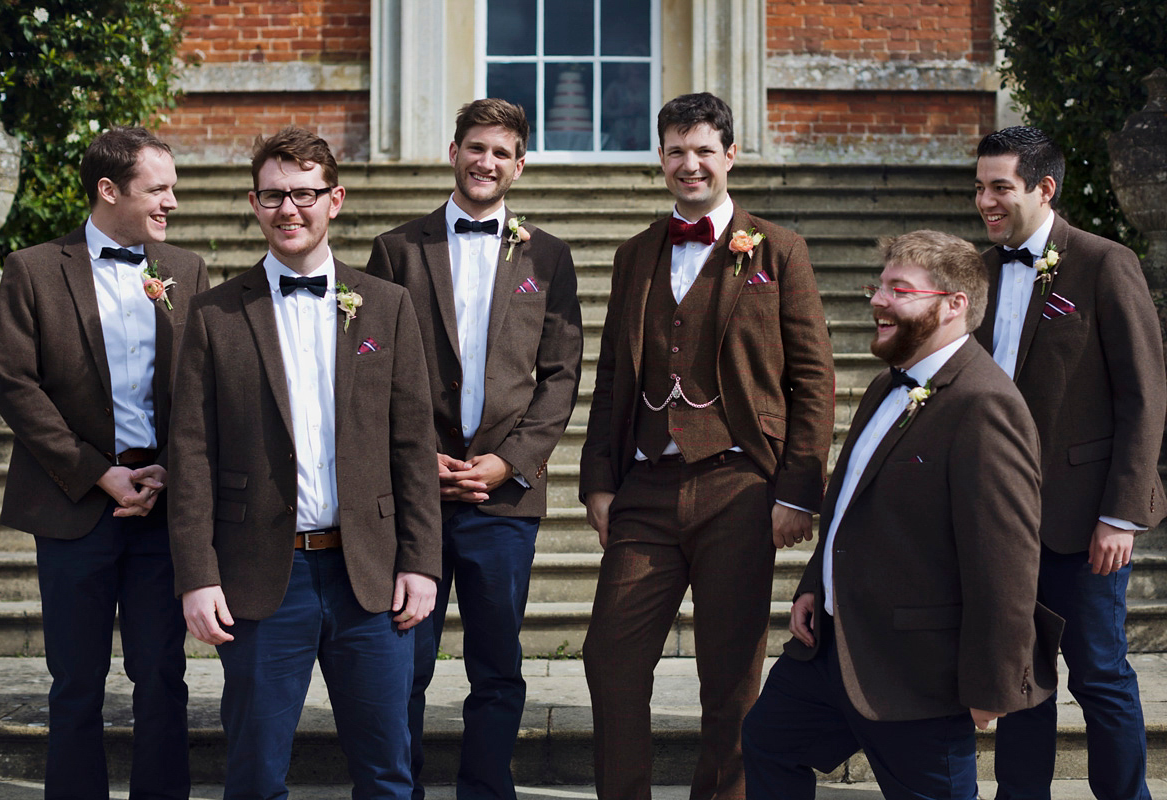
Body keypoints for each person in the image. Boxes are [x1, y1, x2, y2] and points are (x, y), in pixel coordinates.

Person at [168, 126, 442, 800]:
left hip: (370, 576)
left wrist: (422, 562)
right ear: (255, 204)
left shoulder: (387, 305)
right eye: (273, 196)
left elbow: (412, 443)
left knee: (386, 772)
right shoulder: (213, 315)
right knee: (256, 773)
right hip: (263, 577)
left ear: (335, 199)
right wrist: (197, 576)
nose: (289, 210)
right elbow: (191, 453)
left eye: (304, 194)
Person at [578, 91, 836, 800]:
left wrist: (798, 490)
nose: (688, 165)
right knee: (611, 656)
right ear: (659, 158)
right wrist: (599, 481)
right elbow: (611, 378)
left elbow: (814, 378)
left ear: (730, 155)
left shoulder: (778, 249)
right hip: (646, 488)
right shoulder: (635, 255)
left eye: (702, 151)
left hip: (740, 486)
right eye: (675, 151)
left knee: (730, 676)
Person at [741, 229, 1061, 800]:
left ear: (953, 304)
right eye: (878, 286)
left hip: (919, 671)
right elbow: (847, 500)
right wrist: (816, 584)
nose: (877, 301)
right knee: (767, 741)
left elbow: (1007, 562)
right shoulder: (887, 386)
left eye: (898, 290)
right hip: (832, 650)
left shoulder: (984, 404)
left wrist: (993, 681)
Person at [365, 97, 583, 800]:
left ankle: (487, 790)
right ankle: (401, 789)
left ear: (519, 166)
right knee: (406, 658)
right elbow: (372, 366)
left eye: (501, 152)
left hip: (504, 497)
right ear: (453, 151)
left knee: (497, 663)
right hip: (415, 490)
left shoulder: (548, 256)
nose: (485, 162)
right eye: (475, 147)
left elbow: (560, 375)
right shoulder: (398, 249)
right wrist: (415, 457)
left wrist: (510, 460)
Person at [0, 126, 208, 800]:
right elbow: (16, 387)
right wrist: (96, 472)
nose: (172, 201)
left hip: (160, 506)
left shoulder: (185, 268)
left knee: (162, 677)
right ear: (109, 190)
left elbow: (203, 385)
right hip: (74, 505)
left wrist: (169, 468)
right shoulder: (32, 269)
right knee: (77, 683)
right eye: (159, 188)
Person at [974, 126, 1167, 800]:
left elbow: (1143, 395)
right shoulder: (980, 270)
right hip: (999, 519)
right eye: (980, 187)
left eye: (1000, 187)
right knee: (1018, 678)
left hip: (1086, 523)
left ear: (1043, 188)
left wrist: (1122, 512)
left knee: (1099, 675)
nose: (986, 200)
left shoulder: (1103, 262)